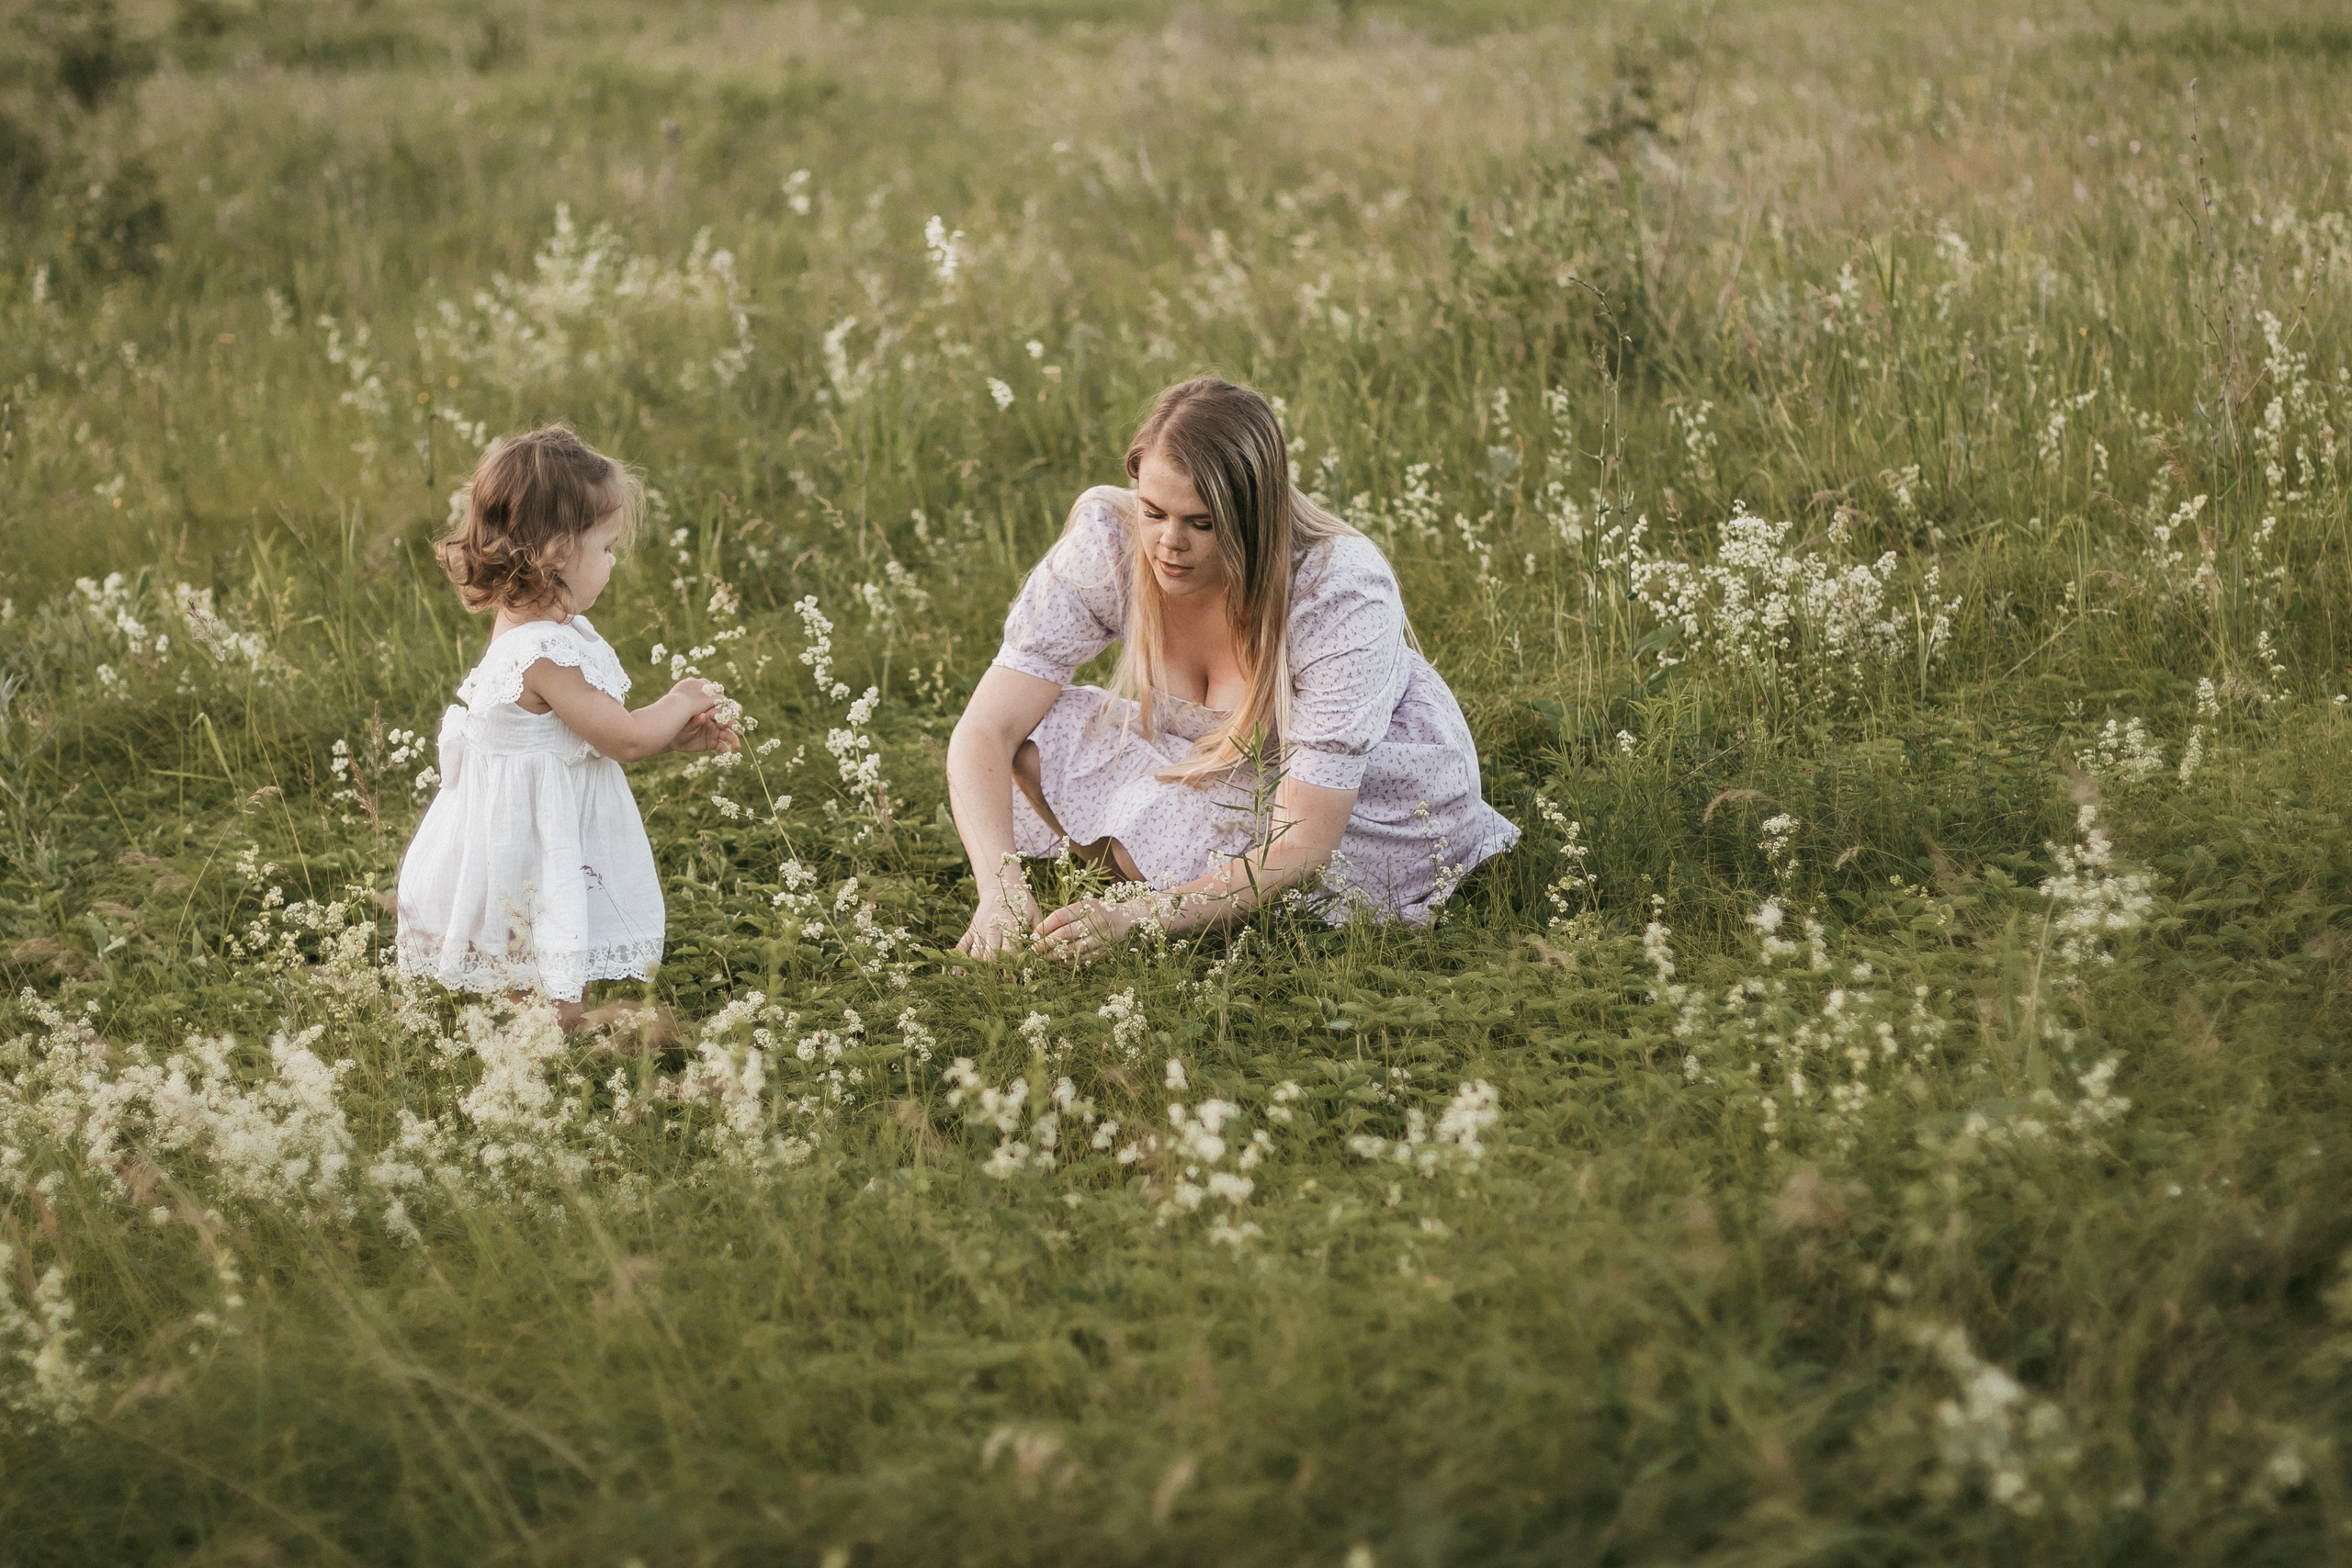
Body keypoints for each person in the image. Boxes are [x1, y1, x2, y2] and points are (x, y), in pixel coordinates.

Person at [947, 376, 1518, 962]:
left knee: (1246, 857)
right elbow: (985, 731)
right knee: (1033, 735)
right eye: (1153, 511)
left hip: (1348, 805)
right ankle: (1156, 868)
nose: (1169, 543)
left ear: (1257, 516)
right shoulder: (1112, 545)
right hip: (1217, 765)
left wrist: (1144, 916)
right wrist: (1000, 889)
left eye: (1203, 523)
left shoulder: (1336, 590)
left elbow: (1302, 842)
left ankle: (1154, 885)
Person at [395, 424, 737, 1028]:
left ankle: (540, 1038)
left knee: (533, 963)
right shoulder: (545, 650)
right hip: (530, 835)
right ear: (557, 551)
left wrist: (673, 733)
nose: (611, 561)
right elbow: (623, 737)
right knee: (548, 968)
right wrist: (682, 698)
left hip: (522, 820)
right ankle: (552, 1048)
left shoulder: (539, 626)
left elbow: (588, 731)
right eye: (605, 547)